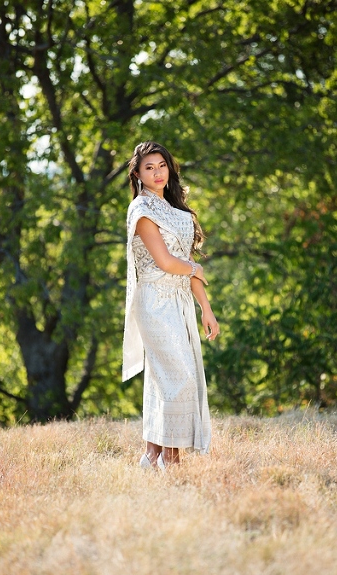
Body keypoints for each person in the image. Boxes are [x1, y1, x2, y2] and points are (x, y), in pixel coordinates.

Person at [122, 141, 219, 470]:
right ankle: (170, 458)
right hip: (154, 301)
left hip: (180, 300)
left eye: (161, 165)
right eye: (149, 168)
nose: (157, 173)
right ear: (137, 174)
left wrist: (206, 308)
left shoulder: (178, 211)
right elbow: (166, 262)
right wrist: (195, 268)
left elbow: (187, 263)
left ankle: (151, 457)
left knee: (164, 378)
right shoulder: (141, 210)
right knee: (180, 377)